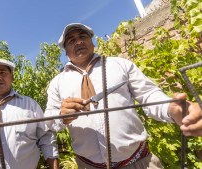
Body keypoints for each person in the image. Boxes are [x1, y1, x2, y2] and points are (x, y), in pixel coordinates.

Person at [44, 23, 202, 169]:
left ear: (92, 41)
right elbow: (49, 121)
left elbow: (148, 95)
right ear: (65, 51)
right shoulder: (57, 83)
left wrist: (170, 108)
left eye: (83, 37)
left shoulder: (120, 65)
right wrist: (61, 116)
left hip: (140, 162)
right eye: (71, 40)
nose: (78, 42)